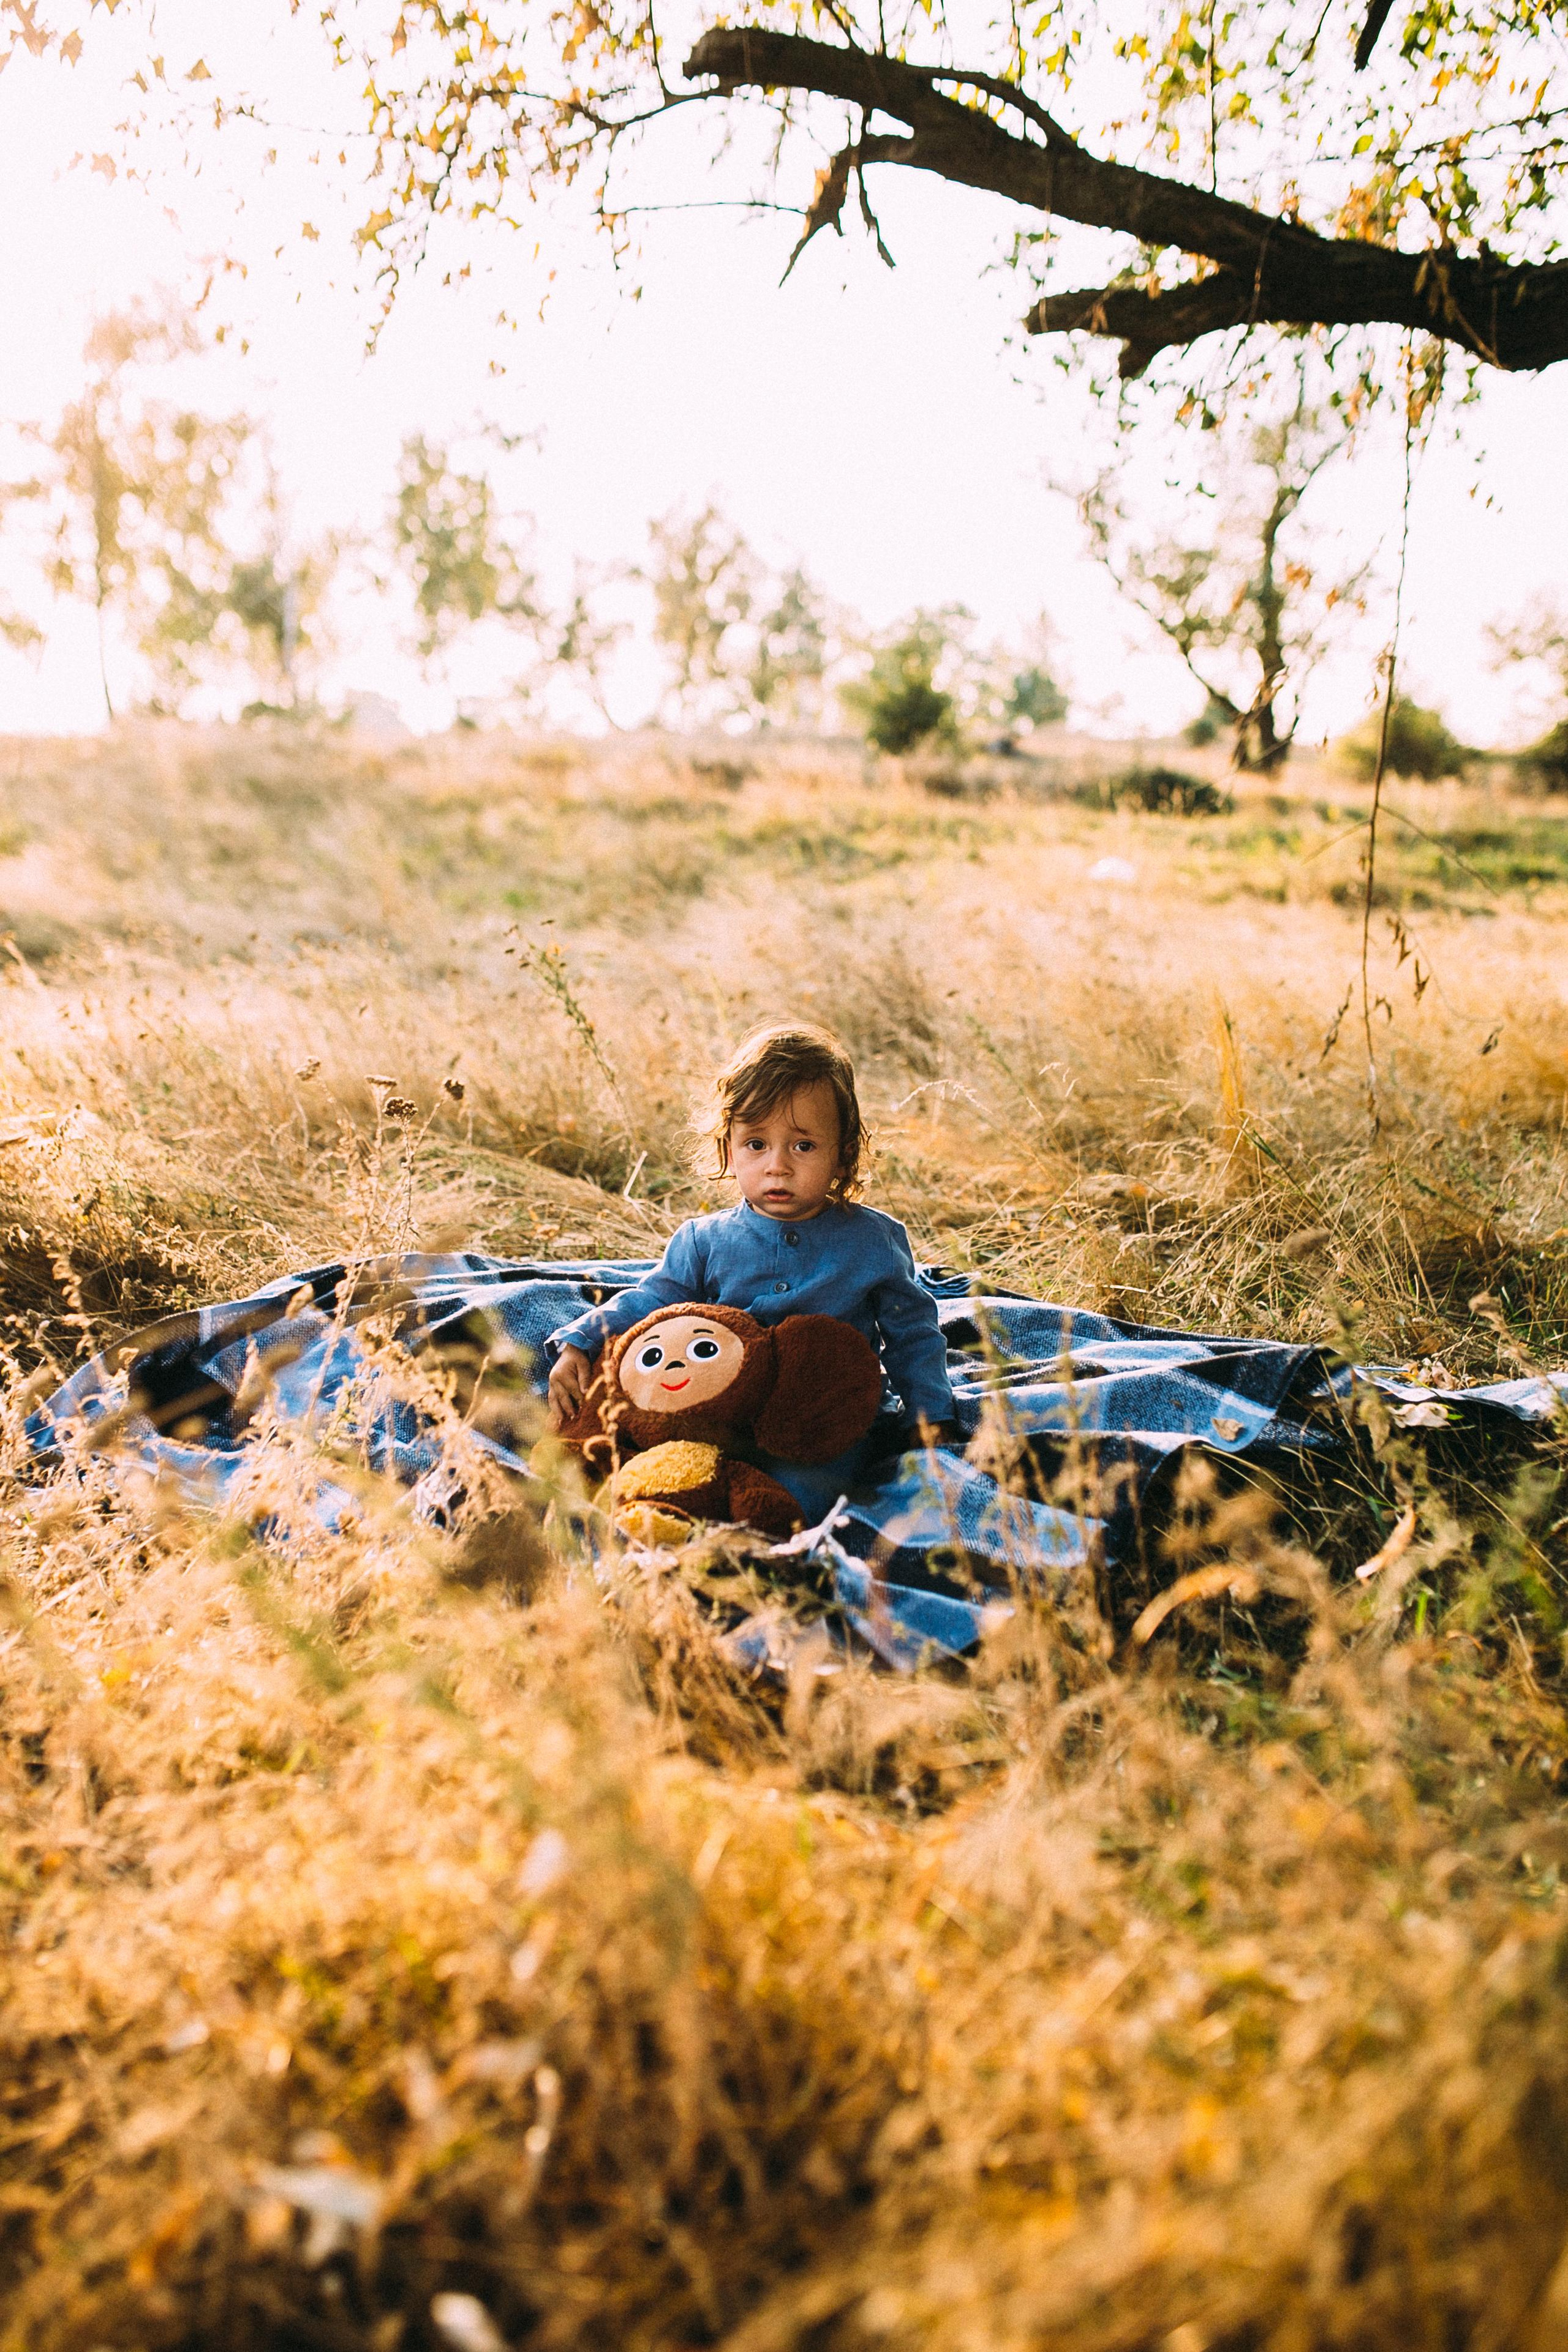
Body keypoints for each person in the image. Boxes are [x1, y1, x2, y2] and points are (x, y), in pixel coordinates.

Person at [545, 1022, 962, 1499]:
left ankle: (774, 1543)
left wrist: (930, 1414)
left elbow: (913, 1335)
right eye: (756, 1144)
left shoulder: (874, 1241)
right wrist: (580, 1342)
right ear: (730, 1149)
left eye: (803, 1146)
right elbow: (655, 1300)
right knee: (658, 1472)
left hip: (821, 1418)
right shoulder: (704, 1240)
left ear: (843, 1157)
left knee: (798, 1492)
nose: (777, 1165)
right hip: (719, 1409)